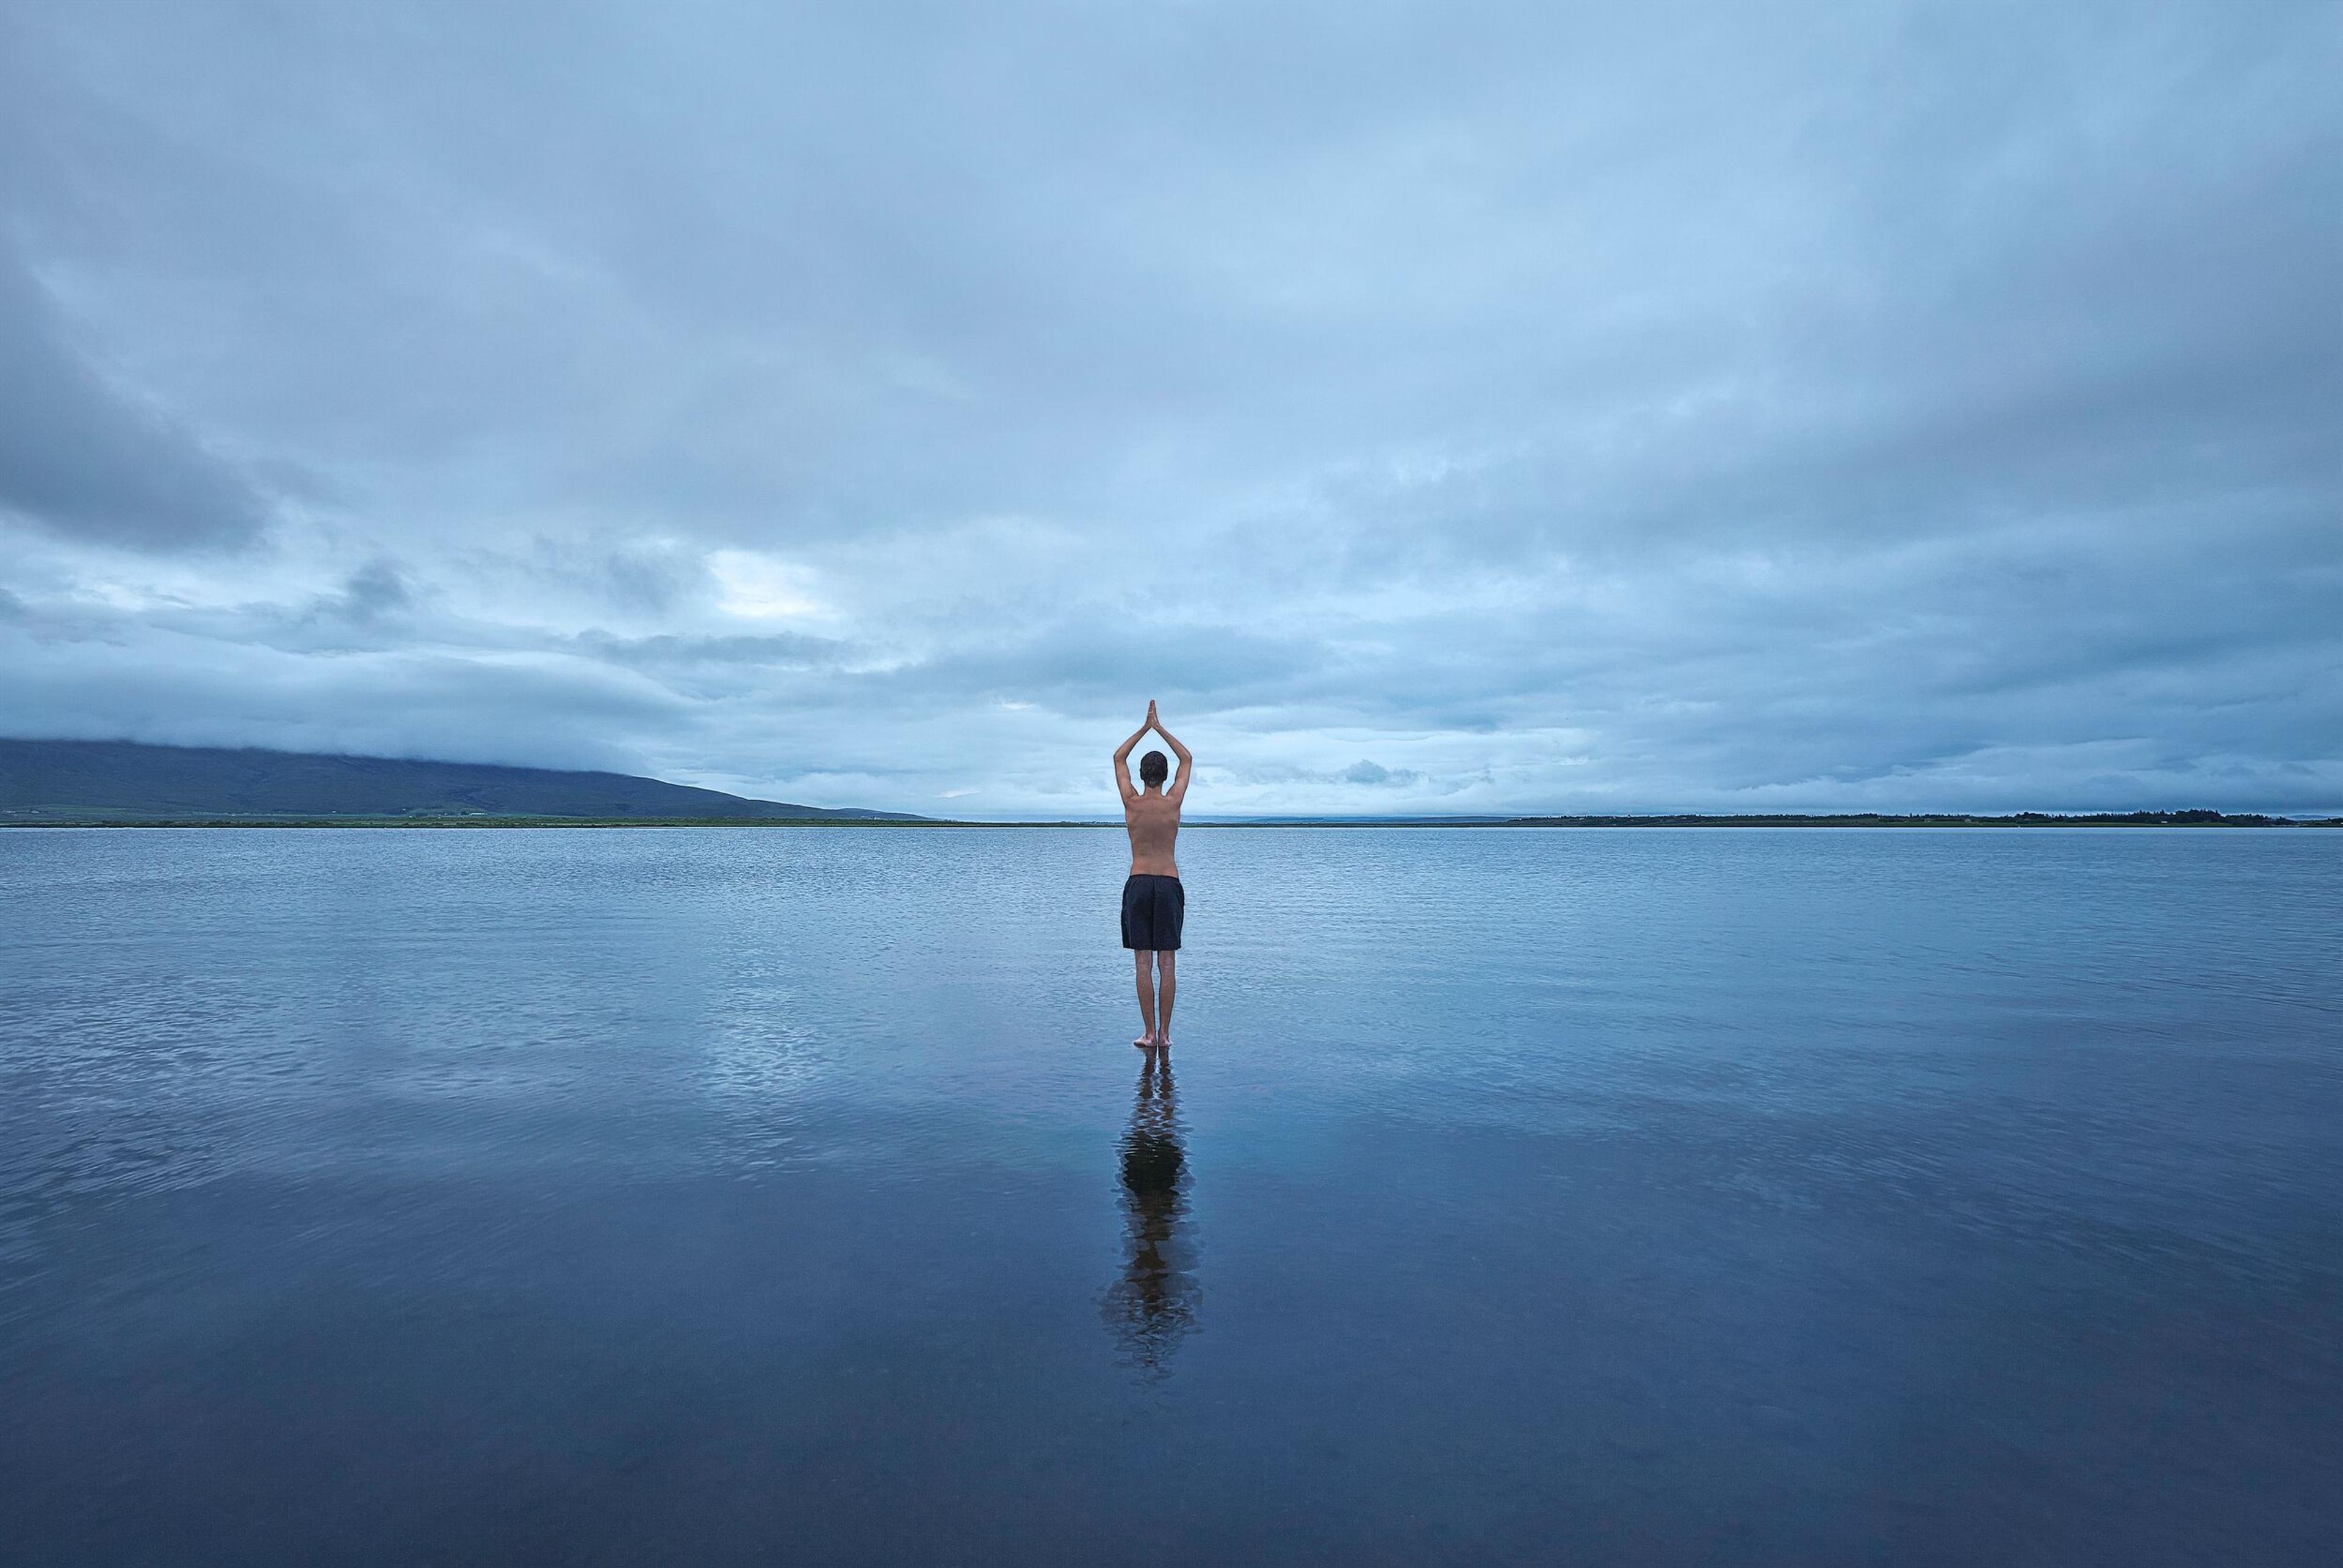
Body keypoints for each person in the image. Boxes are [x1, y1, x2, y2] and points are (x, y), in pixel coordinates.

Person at [1113, 700, 1190, 1049]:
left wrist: (1144, 728)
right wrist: (1160, 727)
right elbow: (1187, 759)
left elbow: (1118, 758)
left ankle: (1148, 1033)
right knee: (1167, 962)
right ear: (1164, 776)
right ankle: (1165, 1035)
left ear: (1143, 776)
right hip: (1169, 883)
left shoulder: (1131, 802)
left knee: (1143, 962)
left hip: (1140, 883)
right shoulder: (1173, 801)